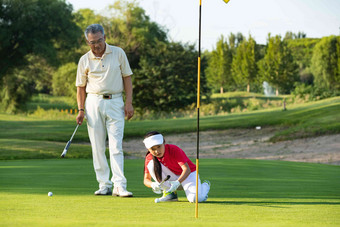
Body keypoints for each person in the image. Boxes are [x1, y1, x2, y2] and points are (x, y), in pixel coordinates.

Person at [75, 24, 133, 197]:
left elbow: (127, 79)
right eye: (92, 42)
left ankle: (119, 186)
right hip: (93, 102)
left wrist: (128, 103)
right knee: (97, 147)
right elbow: (80, 87)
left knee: (116, 146)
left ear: (105, 37)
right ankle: (104, 184)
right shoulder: (84, 59)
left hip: (115, 101)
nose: (96, 45)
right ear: (87, 41)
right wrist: (80, 109)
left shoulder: (118, 53)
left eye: (99, 40)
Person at [143, 131, 210, 203]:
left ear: (164, 142)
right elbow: (146, 180)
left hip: (188, 176)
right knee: (151, 165)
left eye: (159, 146)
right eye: (153, 149)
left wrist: (177, 182)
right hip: (172, 179)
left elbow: (187, 169)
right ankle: (170, 194)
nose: (157, 151)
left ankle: (205, 185)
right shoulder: (149, 157)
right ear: (148, 149)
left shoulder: (173, 149)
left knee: (195, 199)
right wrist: (152, 184)